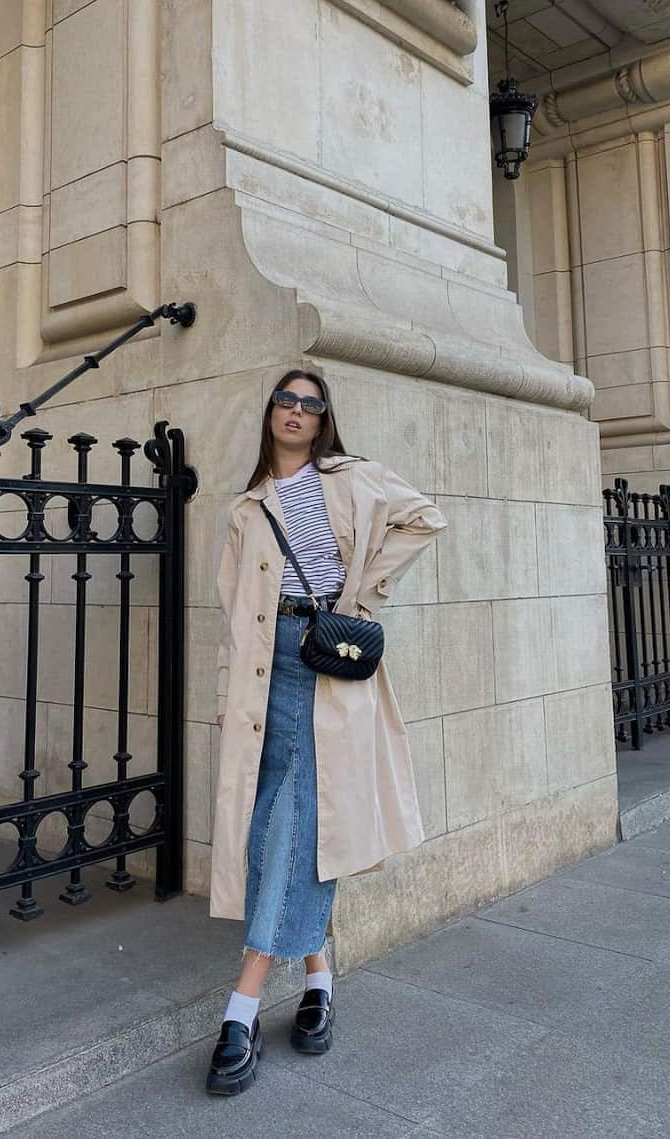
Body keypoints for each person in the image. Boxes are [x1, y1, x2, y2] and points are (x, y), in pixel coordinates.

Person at [205, 369, 447, 1096]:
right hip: (263, 671)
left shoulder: (350, 476)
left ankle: (241, 1005)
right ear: (271, 412)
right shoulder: (248, 508)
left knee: (296, 814)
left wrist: (365, 591)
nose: (298, 412)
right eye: (287, 399)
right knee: (296, 815)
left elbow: (426, 517)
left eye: (312, 404)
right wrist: (225, 693)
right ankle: (319, 978)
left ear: (323, 419)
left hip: (328, 660)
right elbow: (228, 612)